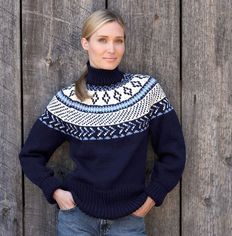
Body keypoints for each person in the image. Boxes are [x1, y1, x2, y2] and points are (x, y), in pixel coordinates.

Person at [19, 9, 186, 236]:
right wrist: (56, 192)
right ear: (85, 43)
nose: (111, 49)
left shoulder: (146, 91)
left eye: (118, 41)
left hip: (129, 220)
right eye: (102, 40)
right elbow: (30, 155)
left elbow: (173, 151)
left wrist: (152, 197)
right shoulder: (68, 101)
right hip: (77, 221)